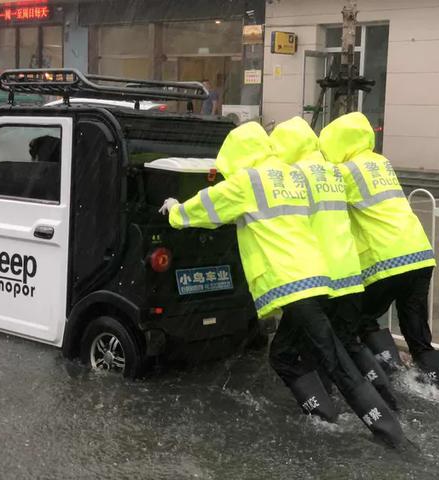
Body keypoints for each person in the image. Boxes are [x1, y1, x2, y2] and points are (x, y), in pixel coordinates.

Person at [160, 121, 404, 446]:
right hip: (320, 278)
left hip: (293, 283)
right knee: (287, 354)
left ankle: (391, 433)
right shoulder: (291, 178)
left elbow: (207, 206)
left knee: (336, 360)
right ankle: (327, 417)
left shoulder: (249, 182)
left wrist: (175, 210)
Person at [270, 116, 398, 410]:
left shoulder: (292, 176)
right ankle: (386, 400)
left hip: (314, 277)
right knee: (342, 342)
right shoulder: (335, 173)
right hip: (349, 273)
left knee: (292, 352)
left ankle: (330, 412)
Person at [319, 112, 439, 388]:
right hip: (419, 255)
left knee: (359, 321)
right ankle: (436, 388)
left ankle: (383, 377)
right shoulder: (381, 163)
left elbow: (314, 189)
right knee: (416, 330)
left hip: (387, 259)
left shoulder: (345, 171)